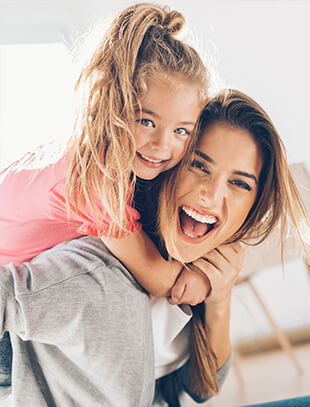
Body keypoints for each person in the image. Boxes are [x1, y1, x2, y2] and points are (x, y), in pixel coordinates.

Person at [0, 89, 310, 407]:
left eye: (239, 183)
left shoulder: (195, 270)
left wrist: (219, 298)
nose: (212, 195)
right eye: (199, 166)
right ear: (168, 165)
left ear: (253, 205)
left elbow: (198, 387)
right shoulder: (95, 270)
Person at [0, 2, 214, 396]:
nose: (161, 145)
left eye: (182, 131)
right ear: (110, 105)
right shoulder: (96, 175)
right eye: (145, 121)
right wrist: (207, 277)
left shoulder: (94, 157)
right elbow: (156, 278)